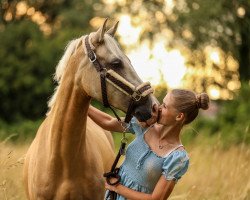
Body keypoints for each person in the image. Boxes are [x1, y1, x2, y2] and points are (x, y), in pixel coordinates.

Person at [88, 89, 209, 200]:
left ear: (179, 116)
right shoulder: (145, 125)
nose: (159, 108)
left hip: (115, 189)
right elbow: (108, 122)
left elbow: (156, 198)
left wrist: (117, 187)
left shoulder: (177, 157)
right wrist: (84, 106)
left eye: (165, 106)